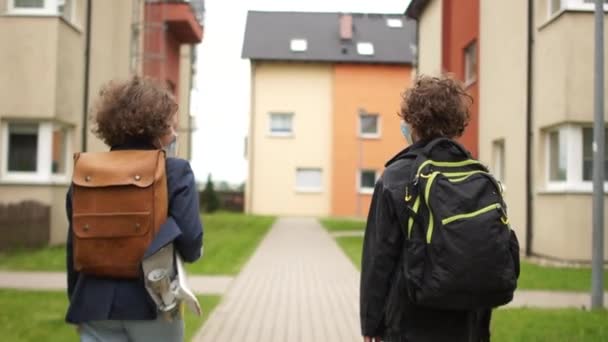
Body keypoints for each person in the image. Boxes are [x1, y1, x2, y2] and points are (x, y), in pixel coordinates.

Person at [65, 76, 203, 341]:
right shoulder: (175, 171)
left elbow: (75, 248)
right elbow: (191, 243)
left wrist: (77, 301)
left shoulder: (85, 173)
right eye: (170, 125)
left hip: (94, 304)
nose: (175, 133)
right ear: (155, 127)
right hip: (155, 303)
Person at [360, 75, 492, 342]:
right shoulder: (478, 176)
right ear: (457, 124)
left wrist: (371, 324)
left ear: (413, 122)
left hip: (410, 321)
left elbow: (379, 259)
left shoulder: (395, 178)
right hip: (467, 324)